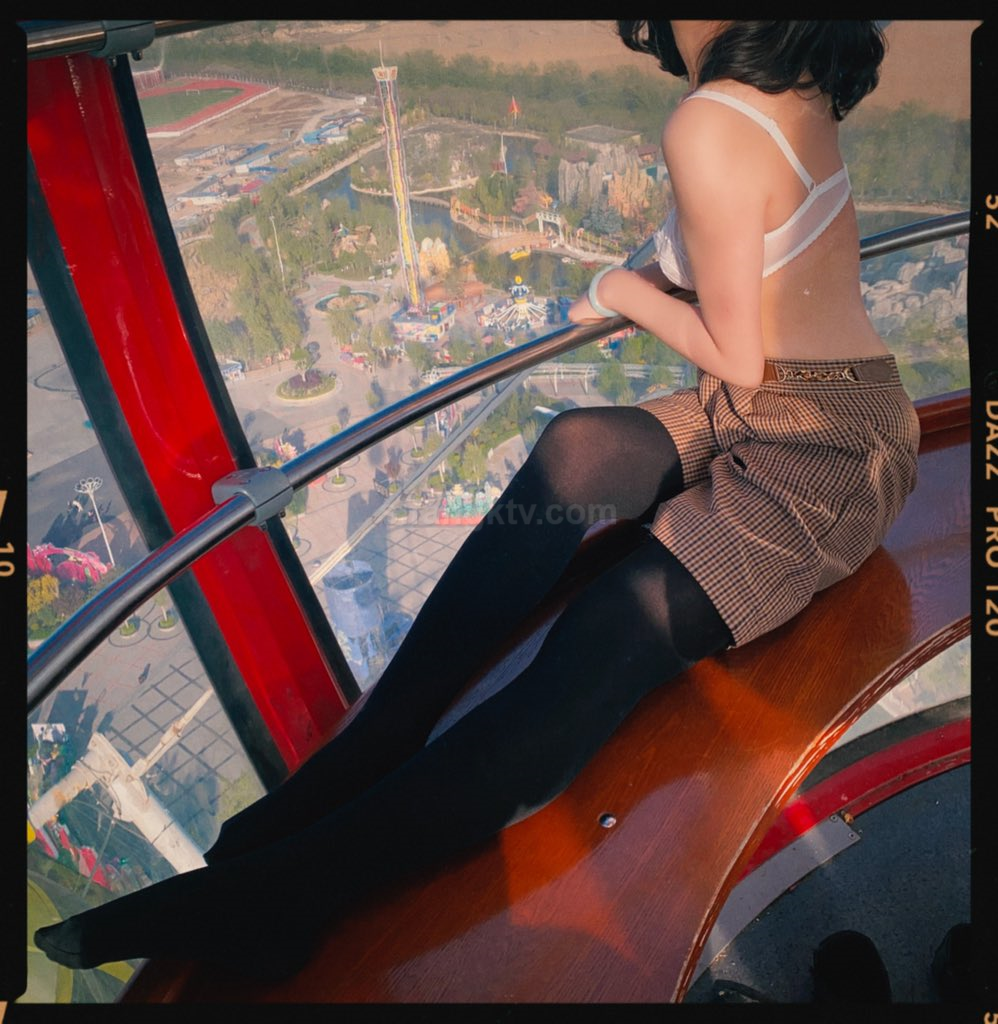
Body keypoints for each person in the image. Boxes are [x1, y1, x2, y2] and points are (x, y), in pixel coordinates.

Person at [35, 20, 919, 982]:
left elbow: (737, 351)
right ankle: (370, 749)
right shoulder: (791, 76)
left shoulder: (712, 117)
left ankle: (272, 896)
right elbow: (724, 240)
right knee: (576, 449)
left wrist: (619, 291)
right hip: (796, 405)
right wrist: (620, 283)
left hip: (822, 454)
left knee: (607, 628)